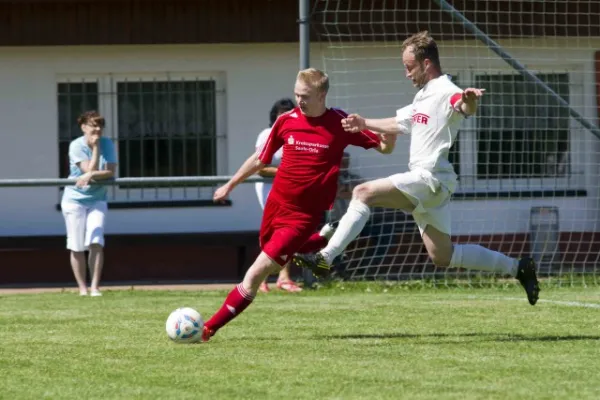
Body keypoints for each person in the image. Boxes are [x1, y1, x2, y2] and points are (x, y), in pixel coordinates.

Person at [293, 31, 541, 306]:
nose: (407, 74)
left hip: (429, 178)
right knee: (442, 257)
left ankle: (325, 257)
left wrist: (470, 99)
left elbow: (463, 106)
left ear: (426, 64)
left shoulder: (447, 90)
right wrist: (364, 124)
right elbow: (399, 123)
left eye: (409, 67)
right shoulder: (423, 96)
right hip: (432, 185)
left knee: (363, 192)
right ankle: (519, 267)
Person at [202, 68, 396, 342]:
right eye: (296, 95)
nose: (299, 101)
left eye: (305, 96)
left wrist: (385, 129)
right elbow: (261, 159)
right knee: (273, 254)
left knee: (256, 272)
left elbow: (385, 148)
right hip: (276, 207)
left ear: (322, 94)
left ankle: (207, 328)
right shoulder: (286, 121)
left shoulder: (340, 122)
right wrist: (230, 184)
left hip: (302, 216)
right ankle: (319, 240)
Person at [60, 110, 117, 297]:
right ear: (83, 127)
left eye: (100, 125)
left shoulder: (107, 143)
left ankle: (94, 287)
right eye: (93, 125)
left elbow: (109, 172)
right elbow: (87, 169)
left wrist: (92, 174)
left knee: (96, 240)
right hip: (74, 200)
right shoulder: (75, 146)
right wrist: (94, 150)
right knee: (76, 245)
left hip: (97, 199)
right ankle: (82, 289)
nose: (98, 129)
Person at [255, 98, 304, 293]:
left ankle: (284, 278)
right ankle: (260, 278)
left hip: (291, 189)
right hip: (268, 188)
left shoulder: (298, 134)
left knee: (288, 231)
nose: (284, 116)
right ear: (274, 116)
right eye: (280, 113)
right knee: (274, 232)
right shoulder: (266, 135)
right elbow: (261, 168)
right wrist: (284, 171)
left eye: (289, 112)